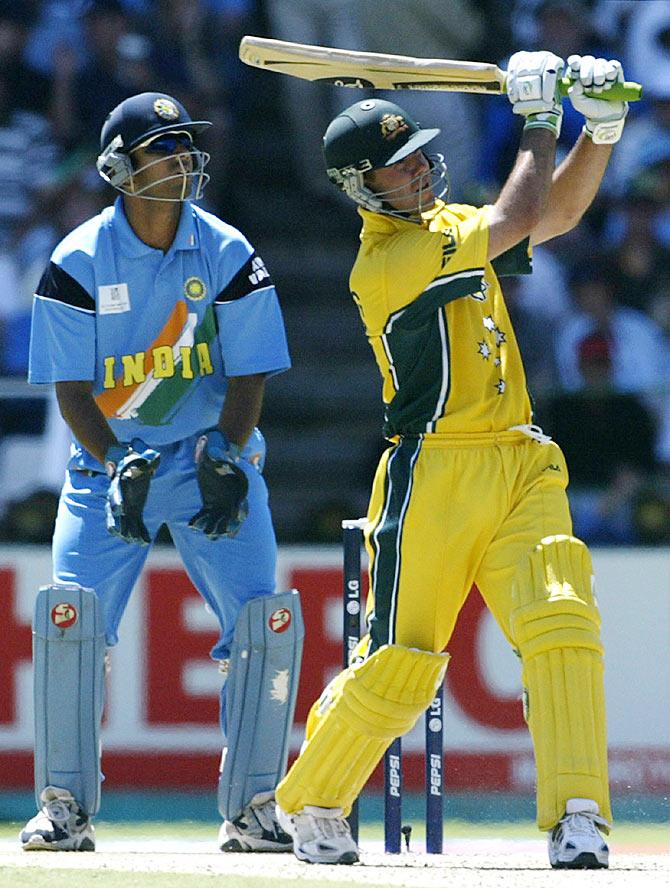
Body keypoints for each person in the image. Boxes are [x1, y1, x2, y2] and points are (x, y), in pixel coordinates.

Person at [273, 52, 630, 868]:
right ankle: (316, 802)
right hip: (432, 473)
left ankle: (579, 814)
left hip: (521, 459)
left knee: (563, 621)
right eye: (400, 168)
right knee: (401, 662)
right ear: (364, 187)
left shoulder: (445, 228)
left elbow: (556, 213)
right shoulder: (389, 262)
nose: (422, 171)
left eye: (419, 156)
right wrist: (539, 120)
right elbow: (516, 214)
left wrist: (598, 127)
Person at [20, 91, 303, 854]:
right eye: (162, 146)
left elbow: (249, 375)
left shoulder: (227, 250)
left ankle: (252, 809)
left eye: (185, 143)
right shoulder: (77, 261)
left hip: (214, 453)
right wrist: (117, 463)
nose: (181, 157)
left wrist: (226, 453)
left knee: (264, 624)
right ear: (118, 166)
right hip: (108, 464)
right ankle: (64, 806)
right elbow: (72, 390)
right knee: (69, 619)